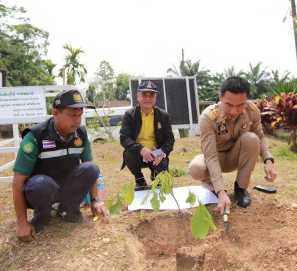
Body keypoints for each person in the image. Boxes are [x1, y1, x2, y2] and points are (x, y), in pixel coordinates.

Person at [12, 89, 109, 243]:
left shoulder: (81, 134)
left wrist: (95, 200)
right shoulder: (35, 137)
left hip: (65, 187)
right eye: (72, 115)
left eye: (79, 115)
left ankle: (68, 208)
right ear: (56, 113)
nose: (77, 120)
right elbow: (18, 182)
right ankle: (42, 214)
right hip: (39, 190)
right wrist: (21, 223)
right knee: (42, 184)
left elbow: (89, 168)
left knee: (92, 169)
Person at [187, 76, 277, 214]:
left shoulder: (252, 111)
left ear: (246, 100)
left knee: (252, 139)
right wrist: (221, 191)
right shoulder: (208, 117)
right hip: (215, 158)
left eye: (240, 105)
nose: (234, 111)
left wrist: (268, 161)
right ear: (220, 97)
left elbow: (260, 136)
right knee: (195, 168)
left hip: (238, 156)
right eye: (228, 104)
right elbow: (210, 156)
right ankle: (215, 190)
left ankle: (240, 189)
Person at [120, 81, 175, 190]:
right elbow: (124, 138)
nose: (148, 99)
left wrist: (163, 152)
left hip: (156, 153)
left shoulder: (163, 115)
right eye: (144, 95)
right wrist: (140, 149)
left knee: (161, 185)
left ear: (155, 98)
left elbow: (170, 139)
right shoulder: (130, 115)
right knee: (128, 155)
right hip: (137, 154)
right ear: (137, 97)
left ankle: (156, 176)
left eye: (151, 95)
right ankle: (140, 180)